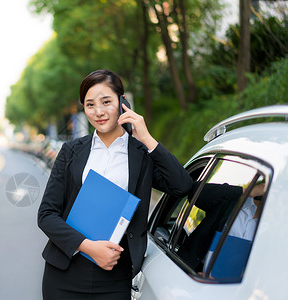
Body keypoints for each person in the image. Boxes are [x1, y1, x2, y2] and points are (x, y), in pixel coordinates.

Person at [37, 69, 193, 299]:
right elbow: (47, 214)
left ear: (122, 102)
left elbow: (182, 186)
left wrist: (147, 138)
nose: (98, 111)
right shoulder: (71, 152)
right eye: (90, 105)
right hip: (65, 272)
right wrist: (89, 247)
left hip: (114, 275)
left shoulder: (141, 155)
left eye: (106, 102)